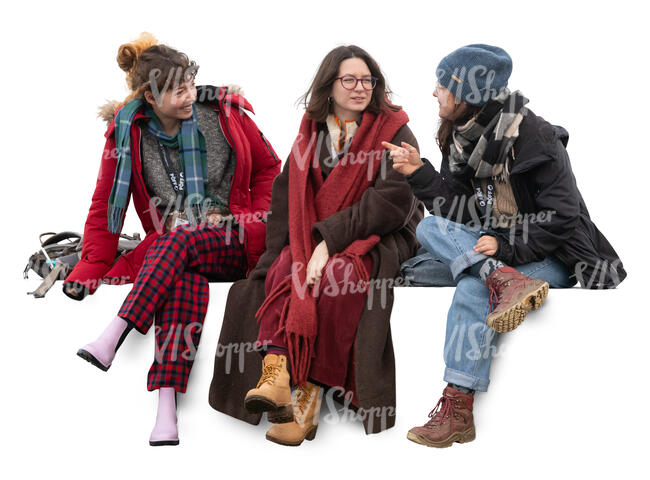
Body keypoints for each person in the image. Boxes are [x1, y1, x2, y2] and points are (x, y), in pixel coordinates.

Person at [386, 44, 626, 448]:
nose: (434, 92)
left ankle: (458, 406)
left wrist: (504, 246)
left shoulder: (535, 136)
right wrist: (420, 173)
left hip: (551, 255)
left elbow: (562, 217)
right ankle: (501, 279)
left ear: (467, 94)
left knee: (470, 286)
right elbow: (459, 215)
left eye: (443, 84)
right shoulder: (461, 139)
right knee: (428, 231)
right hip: (495, 255)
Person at [71, 33, 280, 446]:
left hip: (235, 238)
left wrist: (244, 218)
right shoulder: (128, 132)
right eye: (176, 90)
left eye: (189, 84)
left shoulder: (223, 115)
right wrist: (90, 268)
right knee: (182, 276)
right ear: (150, 97)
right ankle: (166, 409)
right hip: (178, 248)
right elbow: (103, 204)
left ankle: (114, 334)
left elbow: (270, 171)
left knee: (176, 243)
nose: (188, 95)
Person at [208, 45, 423, 445]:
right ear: (330, 84)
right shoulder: (311, 132)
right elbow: (285, 200)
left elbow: (390, 202)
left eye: (367, 80)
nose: (360, 88)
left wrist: (327, 243)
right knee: (285, 268)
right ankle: (276, 372)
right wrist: (273, 261)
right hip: (319, 236)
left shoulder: (393, 129)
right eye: (350, 80)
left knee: (341, 275)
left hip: (381, 236)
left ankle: (307, 397)